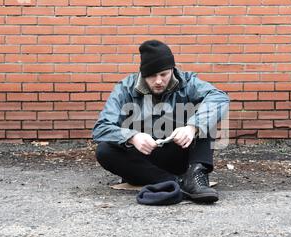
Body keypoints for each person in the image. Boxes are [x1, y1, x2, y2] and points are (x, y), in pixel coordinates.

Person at [92, 40, 229, 204]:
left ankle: (195, 176)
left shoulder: (187, 82)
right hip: (144, 160)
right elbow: (101, 128)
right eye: (152, 76)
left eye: (164, 74)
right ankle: (176, 182)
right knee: (104, 150)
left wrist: (192, 127)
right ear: (143, 74)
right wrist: (132, 137)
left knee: (206, 119)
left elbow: (219, 98)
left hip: (179, 151)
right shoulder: (124, 89)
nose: (158, 81)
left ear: (172, 70)